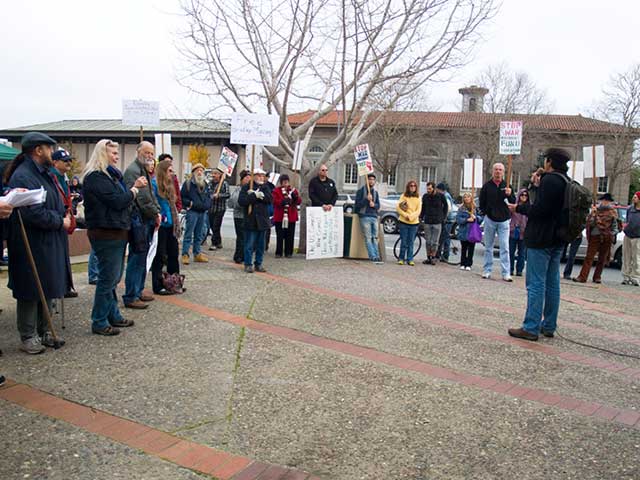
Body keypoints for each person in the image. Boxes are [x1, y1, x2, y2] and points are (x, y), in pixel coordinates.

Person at [5, 132, 71, 353]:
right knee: (31, 288)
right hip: (31, 241)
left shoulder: (46, 173)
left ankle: (45, 330)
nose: (53, 153)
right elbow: (32, 213)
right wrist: (58, 220)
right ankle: (28, 334)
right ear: (38, 150)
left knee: (49, 285)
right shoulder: (23, 176)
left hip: (49, 238)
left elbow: (53, 201)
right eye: (49, 148)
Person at [82, 139, 146, 335]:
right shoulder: (96, 178)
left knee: (113, 278)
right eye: (113, 153)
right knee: (107, 278)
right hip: (105, 233)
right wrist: (134, 190)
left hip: (116, 231)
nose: (117, 157)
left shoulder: (111, 177)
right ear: (102, 154)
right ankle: (99, 320)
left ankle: (113, 314)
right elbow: (118, 201)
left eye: (117, 153)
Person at [507, 148, 571, 341]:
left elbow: (540, 209)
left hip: (541, 238)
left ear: (549, 162)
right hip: (558, 238)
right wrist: (537, 186)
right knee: (552, 283)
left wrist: (519, 207)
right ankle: (549, 325)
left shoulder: (550, 181)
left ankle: (531, 326)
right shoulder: (566, 181)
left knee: (535, 283)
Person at [122, 141, 160, 309]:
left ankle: (138, 290)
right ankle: (131, 294)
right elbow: (142, 199)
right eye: (147, 152)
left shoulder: (144, 170)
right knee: (137, 258)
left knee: (143, 257)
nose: (150, 156)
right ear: (138, 152)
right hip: (138, 220)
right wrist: (155, 213)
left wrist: (157, 211)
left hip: (146, 219)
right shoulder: (133, 171)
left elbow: (151, 196)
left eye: (152, 153)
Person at [479, 162, 515, 281]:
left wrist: (510, 195)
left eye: (500, 170)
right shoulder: (487, 186)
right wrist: (485, 212)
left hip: (504, 220)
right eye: (496, 169)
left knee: (505, 247)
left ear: (503, 172)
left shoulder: (507, 186)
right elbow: (482, 201)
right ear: (493, 171)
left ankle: (506, 272)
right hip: (490, 219)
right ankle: (487, 270)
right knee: (488, 246)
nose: (498, 172)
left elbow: (513, 202)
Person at [572, 193, 619, 284]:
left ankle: (597, 277)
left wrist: (610, 234)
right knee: (589, 257)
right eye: (604, 200)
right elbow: (590, 224)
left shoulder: (613, 212)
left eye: (607, 201)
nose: (605, 202)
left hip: (606, 237)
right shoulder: (596, 210)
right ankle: (582, 277)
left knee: (602, 258)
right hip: (595, 235)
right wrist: (593, 215)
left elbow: (615, 227)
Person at [151, 160, 181, 295]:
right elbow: (155, 203)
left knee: (173, 254)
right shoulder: (154, 185)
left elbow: (173, 204)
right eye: (169, 171)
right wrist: (162, 216)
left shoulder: (170, 186)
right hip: (161, 225)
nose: (172, 173)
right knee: (160, 256)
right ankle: (158, 285)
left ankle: (174, 282)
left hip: (171, 225)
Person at [51, 149, 78, 298]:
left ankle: (65, 285)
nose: (68, 163)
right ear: (55, 162)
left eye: (69, 160)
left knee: (63, 255)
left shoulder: (63, 178)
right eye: (65, 160)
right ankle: (60, 287)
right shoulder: (53, 177)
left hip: (65, 218)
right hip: (57, 220)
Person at [238, 168, 273, 273]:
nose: (261, 177)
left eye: (263, 176)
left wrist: (260, 196)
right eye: (259, 175)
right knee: (249, 244)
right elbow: (242, 201)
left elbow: (269, 199)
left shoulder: (265, 187)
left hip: (262, 221)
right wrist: (253, 195)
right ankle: (248, 264)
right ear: (254, 176)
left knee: (261, 246)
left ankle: (259, 263)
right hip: (251, 220)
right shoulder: (246, 187)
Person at [180, 164, 211, 264]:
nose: (200, 172)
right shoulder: (188, 184)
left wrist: (207, 205)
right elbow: (182, 197)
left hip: (202, 212)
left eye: (201, 170)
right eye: (197, 170)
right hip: (192, 212)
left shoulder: (205, 184)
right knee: (188, 234)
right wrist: (189, 203)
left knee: (199, 234)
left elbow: (208, 197)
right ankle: (185, 254)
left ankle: (197, 253)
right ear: (193, 172)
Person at [355, 173, 382, 263]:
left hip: (374, 216)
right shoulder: (360, 191)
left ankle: (377, 256)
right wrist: (366, 199)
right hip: (365, 216)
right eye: (369, 179)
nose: (371, 181)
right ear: (367, 180)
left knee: (375, 237)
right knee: (368, 237)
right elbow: (357, 206)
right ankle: (373, 256)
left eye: (373, 179)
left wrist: (374, 205)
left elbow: (378, 206)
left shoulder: (375, 193)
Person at [272, 174, 301, 258]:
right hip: (280, 216)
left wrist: (295, 197)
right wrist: (282, 201)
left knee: (290, 234)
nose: (285, 183)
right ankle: (279, 252)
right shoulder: (276, 191)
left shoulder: (292, 190)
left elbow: (298, 201)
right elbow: (274, 201)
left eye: (287, 182)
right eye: (284, 182)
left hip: (291, 215)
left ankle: (289, 252)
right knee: (280, 235)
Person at [420, 181, 448, 265]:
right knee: (428, 241)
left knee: (435, 241)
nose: (428, 190)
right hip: (428, 221)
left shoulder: (440, 196)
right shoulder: (425, 196)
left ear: (434, 188)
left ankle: (433, 257)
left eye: (430, 189)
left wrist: (443, 217)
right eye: (427, 188)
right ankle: (428, 257)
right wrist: (421, 216)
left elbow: (446, 206)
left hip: (437, 221)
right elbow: (423, 207)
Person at [396, 180, 421, 266]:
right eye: (411, 186)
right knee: (404, 241)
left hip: (414, 223)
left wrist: (411, 217)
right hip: (403, 222)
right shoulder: (403, 196)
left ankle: (410, 259)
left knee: (411, 242)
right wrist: (406, 215)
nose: (412, 187)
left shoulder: (418, 197)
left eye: (414, 186)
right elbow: (398, 208)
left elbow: (418, 210)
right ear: (408, 187)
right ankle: (401, 258)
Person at [228, 170, 251, 263]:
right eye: (246, 178)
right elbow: (233, 202)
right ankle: (238, 255)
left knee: (247, 237)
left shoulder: (251, 189)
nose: (248, 180)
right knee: (241, 237)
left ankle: (244, 255)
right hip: (239, 215)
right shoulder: (239, 189)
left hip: (248, 216)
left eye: (250, 178)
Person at [208, 168, 230, 250]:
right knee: (212, 226)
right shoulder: (209, 183)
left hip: (220, 208)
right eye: (212, 173)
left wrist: (219, 195)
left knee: (216, 225)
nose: (213, 175)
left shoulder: (224, 184)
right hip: (211, 208)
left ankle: (214, 243)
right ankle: (219, 241)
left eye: (216, 173)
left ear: (220, 175)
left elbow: (227, 194)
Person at [456, 192, 479, 271]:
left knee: (471, 248)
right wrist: (466, 220)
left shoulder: (475, 208)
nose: (466, 198)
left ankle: (469, 263)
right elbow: (458, 219)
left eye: (468, 197)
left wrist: (475, 218)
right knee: (464, 248)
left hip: (472, 230)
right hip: (464, 230)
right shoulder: (461, 208)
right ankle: (463, 263)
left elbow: (480, 218)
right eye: (465, 197)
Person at [509, 189, 529, 277]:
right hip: (513, 231)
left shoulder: (529, 207)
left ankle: (519, 270)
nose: (524, 197)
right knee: (511, 252)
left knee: (522, 253)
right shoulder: (514, 207)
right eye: (522, 195)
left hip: (524, 233)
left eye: (525, 195)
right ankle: (510, 268)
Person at [622, 191, 640, 286]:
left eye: (636, 197)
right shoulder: (630, 209)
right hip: (628, 235)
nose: (634, 199)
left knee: (636, 257)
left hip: (638, 237)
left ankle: (635, 277)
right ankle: (626, 275)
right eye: (633, 197)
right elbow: (627, 220)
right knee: (626, 257)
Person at [436, 182, 455, 262]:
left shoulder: (445, 196)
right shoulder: (447, 195)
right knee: (444, 238)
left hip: (447, 221)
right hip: (448, 220)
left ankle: (445, 256)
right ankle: (443, 255)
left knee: (444, 238)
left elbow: (448, 209)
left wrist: (444, 218)